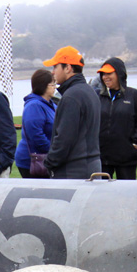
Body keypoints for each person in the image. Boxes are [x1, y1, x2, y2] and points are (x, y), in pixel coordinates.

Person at [41, 46, 102, 179]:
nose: (52, 72)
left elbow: (64, 138)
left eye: (55, 67)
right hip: (92, 166)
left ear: (68, 68)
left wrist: (49, 163)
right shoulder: (89, 91)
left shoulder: (71, 96)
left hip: (74, 171)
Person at [96, 57, 137, 180]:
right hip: (101, 158)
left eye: (109, 73)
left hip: (126, 158)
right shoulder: (97, 96)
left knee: (127, 195)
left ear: (119, 74)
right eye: (103, 74)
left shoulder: (133, 96)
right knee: (101, 195)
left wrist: (136, 142)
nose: (105, 77)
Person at [14, 69, 56, 178]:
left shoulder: (51, 104)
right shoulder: (34, 106)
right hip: (32, 161)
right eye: (52, 84)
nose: (55, 86)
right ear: (43, 86)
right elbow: (35, 135)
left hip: (46, 157)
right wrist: (52, 152)